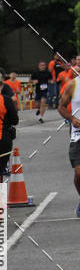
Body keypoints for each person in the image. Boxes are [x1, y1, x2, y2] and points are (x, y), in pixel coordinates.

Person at [57, 76, 80, 216]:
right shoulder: (73, 84)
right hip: (78, 134)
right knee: (78, 172)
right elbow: (61, 106)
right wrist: (72, 119)